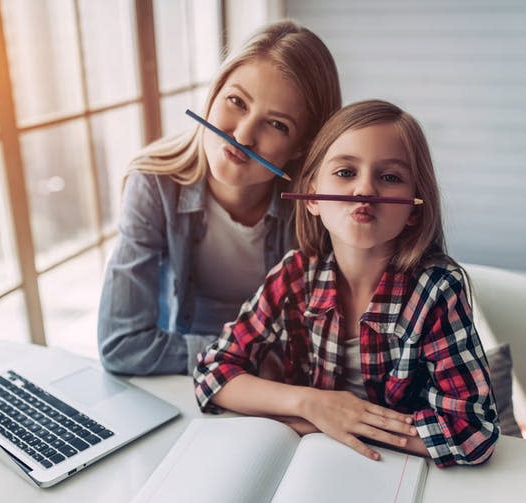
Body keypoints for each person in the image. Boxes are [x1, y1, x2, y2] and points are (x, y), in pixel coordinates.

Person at [193, 100, 499, 468]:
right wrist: (311, 405)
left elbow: (473, 431)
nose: (363, 190)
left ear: (414, 208)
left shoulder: (436, 290)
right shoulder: (295, 275)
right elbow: (213, 371)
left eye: (389, 178)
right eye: (344, 172)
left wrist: (342, 425)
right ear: (311, 196)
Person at [97, 21, 342, 375]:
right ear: (213, 96)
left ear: (303, 145)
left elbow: (322, 348)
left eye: (277, 125)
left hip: (277, 390)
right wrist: (243, 357)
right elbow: (121, 345)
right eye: (236, 101)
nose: (242, 135)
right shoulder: (154, 184)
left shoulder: (314, 208)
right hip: (189, 381)